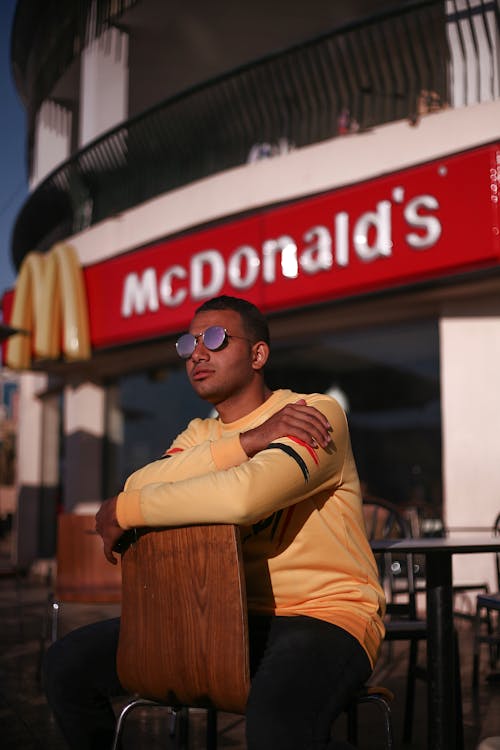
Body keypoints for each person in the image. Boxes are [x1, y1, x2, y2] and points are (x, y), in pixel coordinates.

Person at [43, 295, 386, 750]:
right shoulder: (200, 434)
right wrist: (249, 441)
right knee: (66, 664)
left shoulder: (315, 413)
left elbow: (243, 498)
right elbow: (141, 480)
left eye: (217, 339)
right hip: (223, 614)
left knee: (275, 724)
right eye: (188, 344)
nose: (197, 354)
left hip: (326, 613)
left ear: (258, 354)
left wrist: (124, 510)